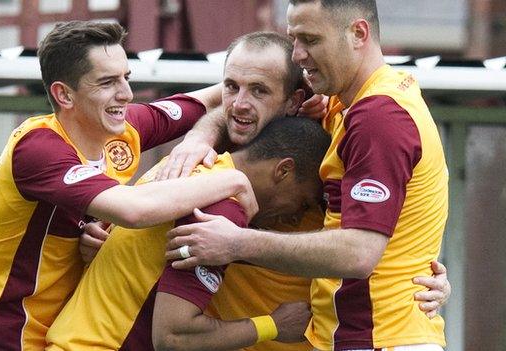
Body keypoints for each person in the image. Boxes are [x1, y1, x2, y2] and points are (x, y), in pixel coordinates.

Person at [80, 30, 451, 351]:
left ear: (295, 101)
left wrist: (422, 277)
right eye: (231, 87)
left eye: (259, 90)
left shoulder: (328, 145)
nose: (240, 104)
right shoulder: (200, 169)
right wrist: (96, 237)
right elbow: (166, 321)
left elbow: (376, 236)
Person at [0, 21, 259, 351]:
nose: (126, 93)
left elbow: (209, 99)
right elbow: (135, 211)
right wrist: (232, 180)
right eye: (108, 82)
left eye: (126, 77)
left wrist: (288, 84)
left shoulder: (120, 131)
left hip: (53, 338)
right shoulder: (38, 147)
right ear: (64, 94)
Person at [46, 117, 330, 350]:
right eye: (303, 202)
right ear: (283, 170)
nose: (297, 216)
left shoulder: (185, 166)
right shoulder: (221, 211)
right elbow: (173, 336)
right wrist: (274, 325)